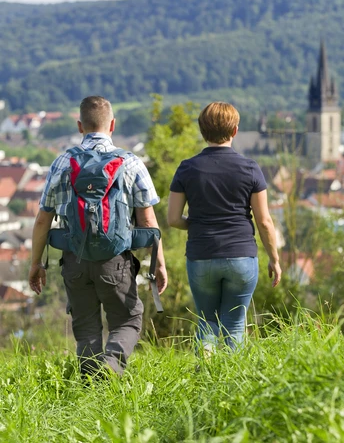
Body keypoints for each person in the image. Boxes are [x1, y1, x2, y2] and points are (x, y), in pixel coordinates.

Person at [29, 96, 168, 376]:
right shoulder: (130, 162)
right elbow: (148, 221)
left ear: (80, 126)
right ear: (112, 124)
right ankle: (112, 365)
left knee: (87, 328)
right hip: (115, 260)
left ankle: (91, 389)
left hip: (74, 258)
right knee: (127, 321)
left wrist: (36, 264)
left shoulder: (62, 162)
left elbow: (43, 218)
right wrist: (159, 264)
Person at [167, 101, 281, 353]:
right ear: (235, 131)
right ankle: (231, 384)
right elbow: (264, 221)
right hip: (241, 255)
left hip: (201, 255)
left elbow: (173, 219)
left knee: (206, 323)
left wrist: (196, 226)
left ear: (202, 130)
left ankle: (205, 378)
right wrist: (274, 258)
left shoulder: (187, 168)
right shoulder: (250, 168)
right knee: (235, 325)